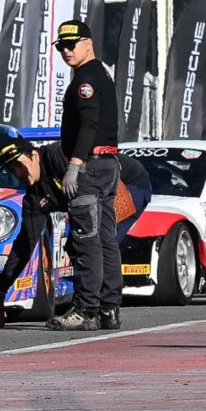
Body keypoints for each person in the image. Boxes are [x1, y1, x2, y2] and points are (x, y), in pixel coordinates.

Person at [0, 137, 150, 331]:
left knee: (98, 240)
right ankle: (97, 306)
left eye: (19, 165)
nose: (18, 173)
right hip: (100, 192)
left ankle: (104, 308)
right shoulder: (34, 198)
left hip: (127, 182)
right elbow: (25, 243)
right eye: (11, 170)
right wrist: (0, 291)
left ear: (33, 156)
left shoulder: (59, 155)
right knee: (82, 243)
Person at [52, 18, 121, 331]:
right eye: (61, 46)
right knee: (106, 239)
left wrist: (75, 164)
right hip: (107, 165)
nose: (66, 51)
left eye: (72, 44)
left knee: (86, 239)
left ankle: (86, 309)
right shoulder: (101, 73)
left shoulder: (86, 79)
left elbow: (89, 123)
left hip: (91, 168)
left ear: (88, 43)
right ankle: (109, 308)